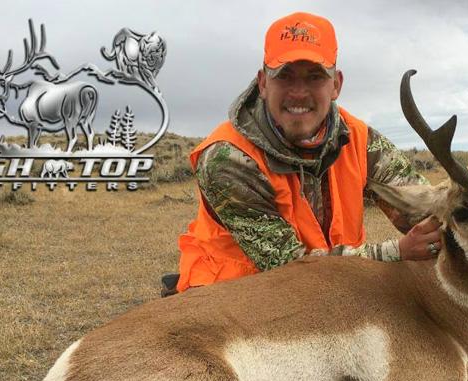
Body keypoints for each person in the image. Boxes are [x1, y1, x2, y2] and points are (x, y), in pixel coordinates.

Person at [174, 12, 441, 294]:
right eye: (284, 76)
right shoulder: (227, 158)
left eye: (315, 77)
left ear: (336, 84)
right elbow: (288, 266)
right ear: (263, 83)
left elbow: (421, 209)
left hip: (331, 293)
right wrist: (397, 252)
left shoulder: (359, 140)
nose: (299, 93)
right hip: (232, 303)